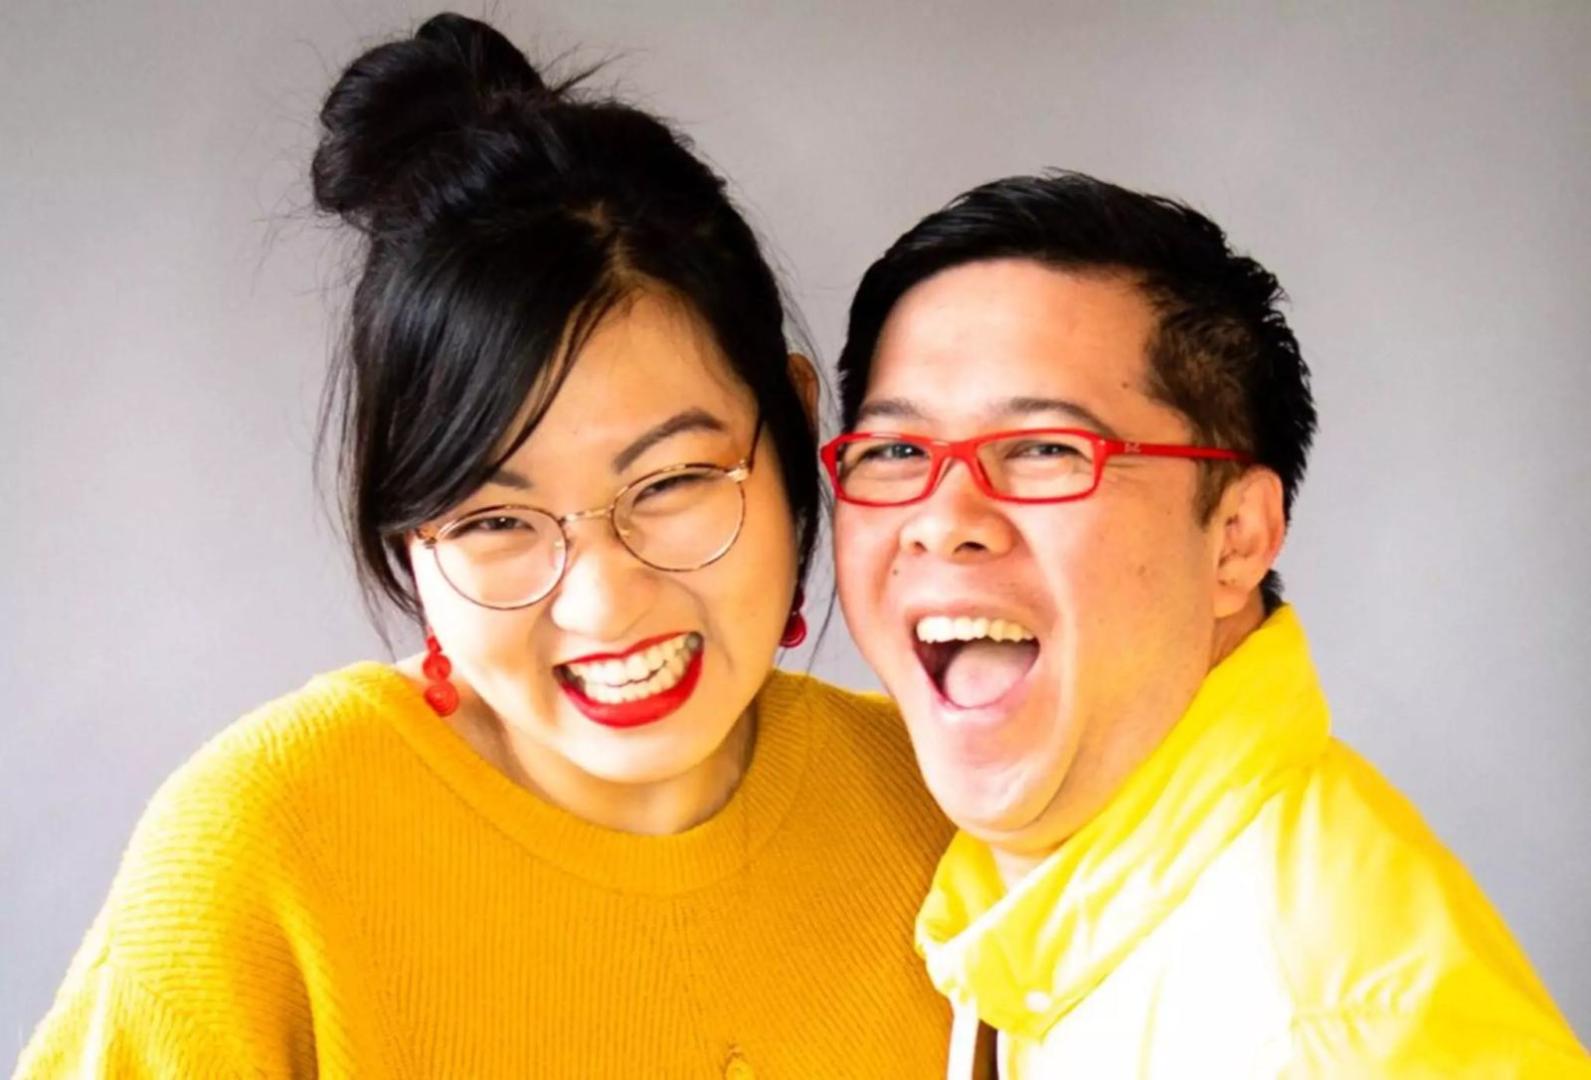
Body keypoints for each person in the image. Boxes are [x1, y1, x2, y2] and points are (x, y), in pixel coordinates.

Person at [16, 14, 952, 1077]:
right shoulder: (268, 847)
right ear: (409, 531)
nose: (604, 602)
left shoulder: (942, 808)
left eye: (670, 482)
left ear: (792, 424)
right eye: (494, 520)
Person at [824, 171, 1591, 1076]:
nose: (944, 518)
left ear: (1236, 539)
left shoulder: (1313, 1037)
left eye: (1044, 448)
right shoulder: (1019, 905)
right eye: (896, 450)